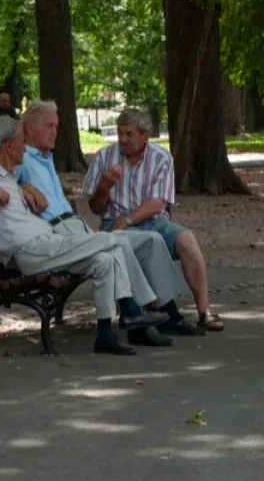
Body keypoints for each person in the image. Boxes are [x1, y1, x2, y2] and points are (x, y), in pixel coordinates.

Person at [0, 116, 161, 355]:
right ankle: (134, 311)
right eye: (22, 141)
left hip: (47, 243)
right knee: (113, 240)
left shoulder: (9, 174)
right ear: (8, 145)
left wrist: (24, 189)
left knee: (103, 261)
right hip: (29, 251)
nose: (24, 147)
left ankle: (105, 335)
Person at [15, 101, 190, 346]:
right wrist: (20, 187)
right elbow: (0, 181)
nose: (55, 131)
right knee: (114, 244)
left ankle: (157, 313)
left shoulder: (46, 158)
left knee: (151, 240)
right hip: (55, 234)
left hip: (75, 227)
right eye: (49, 125)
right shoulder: (20, 159)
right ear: (30, 128)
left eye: (57, 125)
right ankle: (138, 314)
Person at [84, 108, 226, 332]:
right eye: (120, 133)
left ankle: (204, 311)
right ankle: (160, 312)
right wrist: (103, 187)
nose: (122, 139)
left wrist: (127, 219)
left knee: (187, 239)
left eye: (129, 134)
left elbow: (157, 204)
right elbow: (95, 208)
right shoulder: (104, 157)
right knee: (135, 245)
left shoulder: (161, 158)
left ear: (145, 135)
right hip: (113, 224)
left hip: (151, 220)